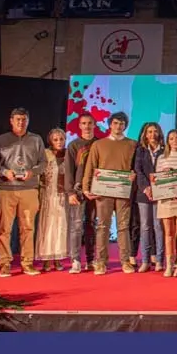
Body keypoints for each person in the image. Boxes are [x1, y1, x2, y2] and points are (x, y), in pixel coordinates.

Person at [82, 112, 137, 276]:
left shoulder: (132, 144)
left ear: (125, 126)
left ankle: (125, 261)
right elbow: (90, 167)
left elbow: (137, 167)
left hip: (123, 190)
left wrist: (134, 175)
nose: (118, 126)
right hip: (102, 192)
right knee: (102, 226)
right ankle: (100, 262)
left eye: (121, 124)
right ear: (110, 125)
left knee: (123, 227)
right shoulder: (99, 144)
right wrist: (86, 188)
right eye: (115, 123)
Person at [0, 107, 47, 277]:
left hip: (29, 190)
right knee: (4, 229)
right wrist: (4, 172)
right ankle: (5, 263)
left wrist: (32, 172)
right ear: (11, 120)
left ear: (28, 120)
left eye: (24, 119)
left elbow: (43, 163)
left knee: (28, 228)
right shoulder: (1, 139)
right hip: (6, 189)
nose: (21, 122)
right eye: (17, 119)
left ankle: (27, 262)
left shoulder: (36, 139)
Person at [154, 129, 177, 277]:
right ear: (167, 141)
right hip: (166, 200)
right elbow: (156, 180)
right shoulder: (161, 158)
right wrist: (164, 174)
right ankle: (169, 264)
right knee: (168, 233)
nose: (174, 141)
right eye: (171, 138)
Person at [66, 112, 98, 274]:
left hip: (95, 190)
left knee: (91, 225)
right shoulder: (73, 145)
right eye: (84, 123)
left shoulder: (100, 144)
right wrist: (70, 192)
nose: (87, 126)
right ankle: (76, 260)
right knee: (76, 226)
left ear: (95, 125)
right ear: (79, 126)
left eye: (90, 123)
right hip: (78, 191)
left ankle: (91, 260)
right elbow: (69, 171)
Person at [134, 122, 165, 272]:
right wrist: (146, 188)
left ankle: (159, 260)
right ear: (145, 135)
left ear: (159, 133)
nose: (152, 134)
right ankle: (145, 261)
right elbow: (138, 171)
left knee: (159, 227)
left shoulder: (165, 151)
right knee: (145, 227)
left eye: (155, 131)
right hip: (144, 193)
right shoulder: (140, 151)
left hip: (161, 193)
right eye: (149, 132)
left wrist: (158, 189)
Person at [36, 128, 69, 271]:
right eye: (56, 140)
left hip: (63, 195)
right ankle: (47, 258)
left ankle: (58, 258)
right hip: (48, 194)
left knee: (61, 225)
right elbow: (39, 174)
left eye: (61, 139)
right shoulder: (45, 154)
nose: (59, 142)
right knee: (47, 226)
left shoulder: (69, 154)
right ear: (50, 141)